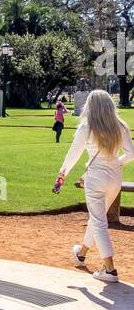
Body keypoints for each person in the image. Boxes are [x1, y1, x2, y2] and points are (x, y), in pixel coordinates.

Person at [54, 89, 134, 283]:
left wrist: (62, 175)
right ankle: (81, 254)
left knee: (98, 221)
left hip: (95, 176)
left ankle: (110, 269)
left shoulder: (87, 127)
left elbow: (73, 155)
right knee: (97, 218)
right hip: (115, 177)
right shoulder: (120, 126)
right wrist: (116, 163)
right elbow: (131, 154)